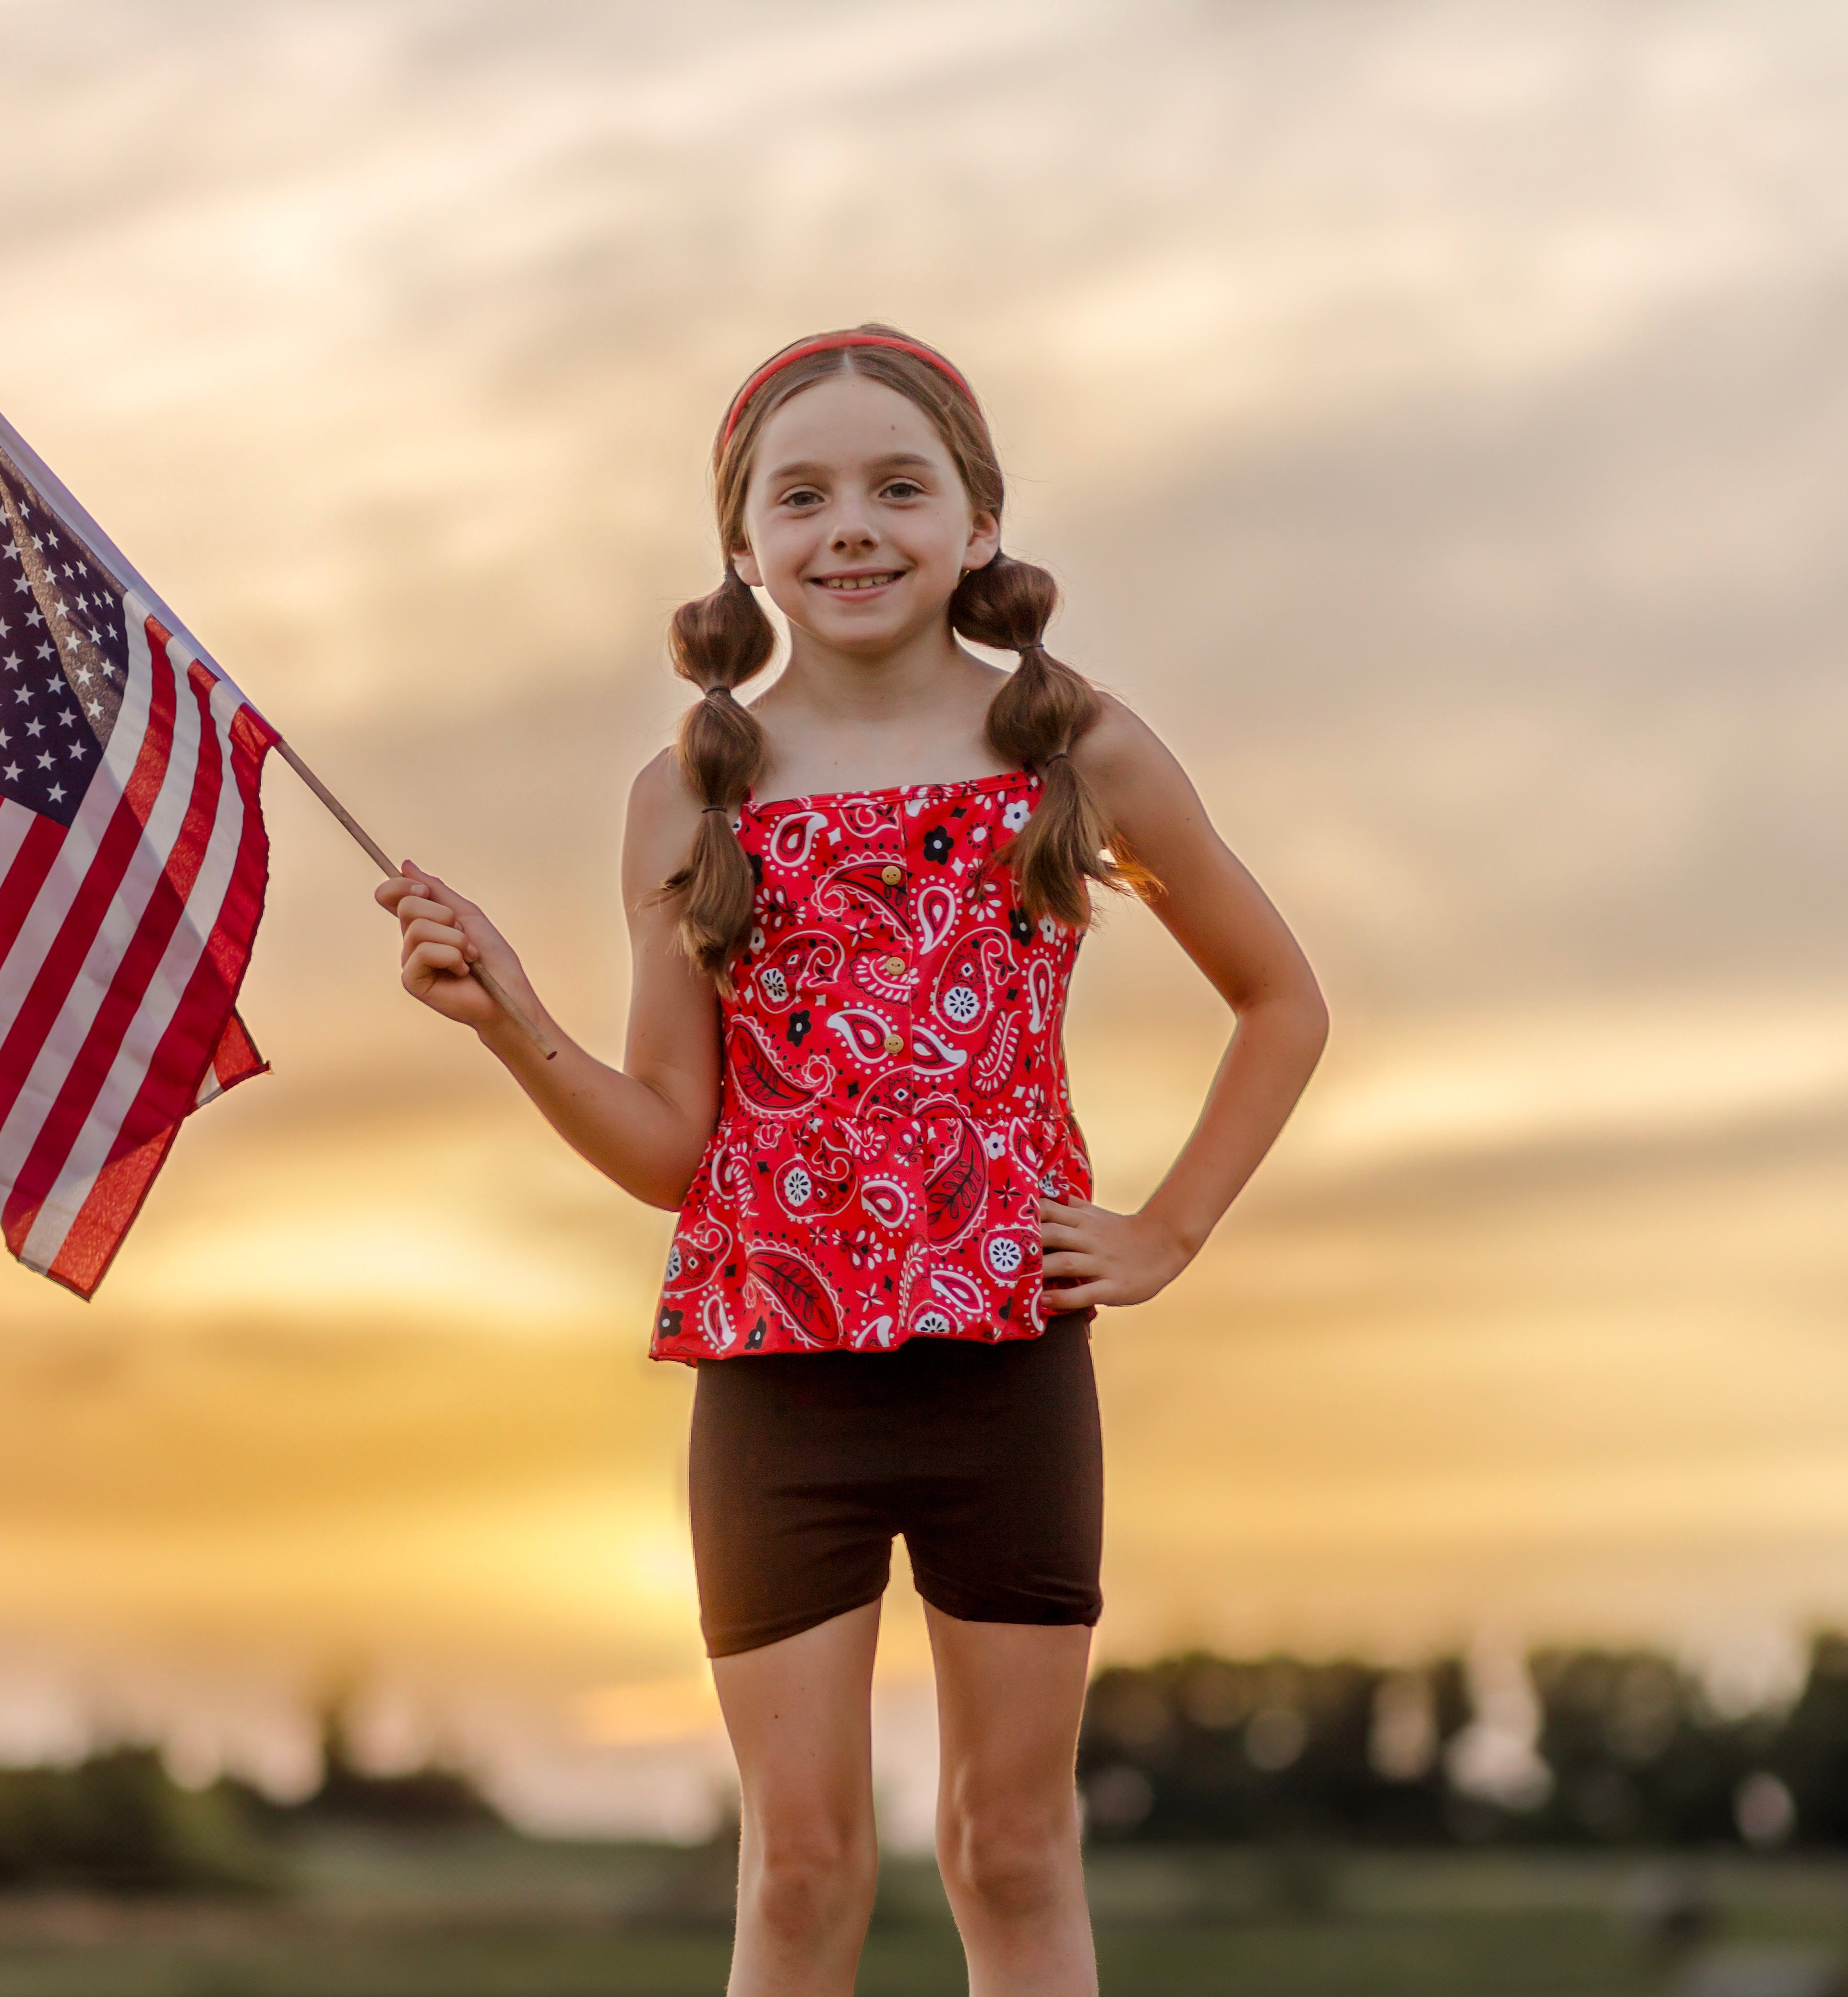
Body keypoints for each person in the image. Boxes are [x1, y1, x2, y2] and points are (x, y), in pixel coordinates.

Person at [375, 325, 1329, 1997]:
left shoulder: (1070, 752)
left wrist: (1169, 1229)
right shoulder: (685, 799)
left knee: (1010, 1845)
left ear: (978, 522)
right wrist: (507, 1019)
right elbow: (674, 1150)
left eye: (901, 486)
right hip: (771, 1377)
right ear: (743, 545)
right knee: (800, 1866)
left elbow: (1281, 1002)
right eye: (800, 496)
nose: (853, 529)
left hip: (1008, 1361)